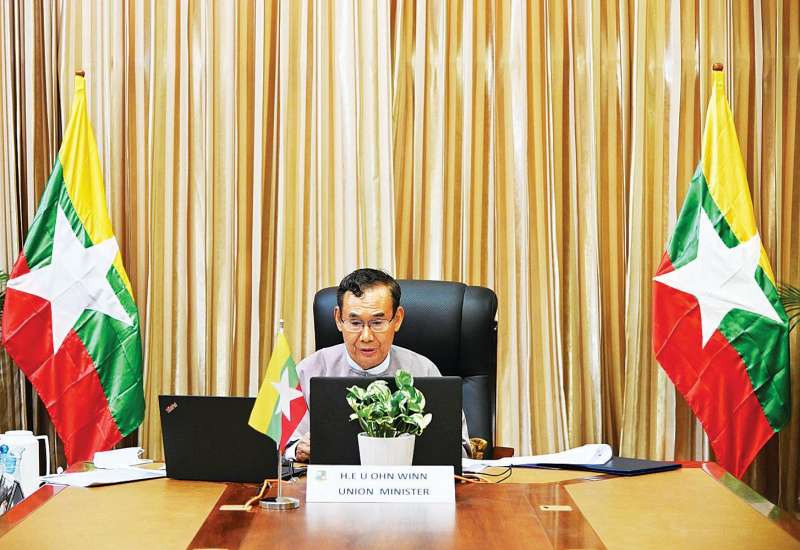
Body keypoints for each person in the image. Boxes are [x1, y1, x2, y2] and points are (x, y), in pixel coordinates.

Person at [285, 268, 470, 462]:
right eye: (355, 323)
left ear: (397, 319)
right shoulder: (308, 371)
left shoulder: (424, 371)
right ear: (338, 319)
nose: (366, 337)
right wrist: (298, 449)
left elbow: (460, 450)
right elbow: (285, 445)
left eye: (377, 322)